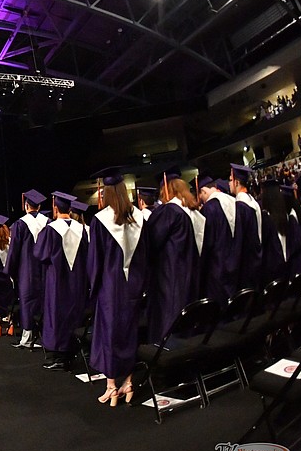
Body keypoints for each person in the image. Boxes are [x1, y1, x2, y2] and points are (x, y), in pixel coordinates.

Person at [88, 167, 148, 406]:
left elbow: (95, 261)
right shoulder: (140, 218)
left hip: (110, 288)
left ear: (107, 192)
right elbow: (144, 256)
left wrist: (93, 287)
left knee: (110, 334)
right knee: (130, 333)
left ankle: (112, 386)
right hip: (133, 285)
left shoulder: (100, 220)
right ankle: (129, 382)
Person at [144, 173, 205, 344]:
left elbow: (151, 241)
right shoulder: (193, 212)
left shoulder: (169, 211)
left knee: (170, 320)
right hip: (190, 274)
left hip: (170, 276)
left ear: (167, 189)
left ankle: (168, 356)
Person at [35, 191, 89, 368]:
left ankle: (58, 356)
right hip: (78, 280)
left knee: (56, 315)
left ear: (55, 208)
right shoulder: (81, 229)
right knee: (75, 313)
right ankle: (75, 350)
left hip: (57, 281)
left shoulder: (51, 230)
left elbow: (40, 254)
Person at [5, 189, 48, 349]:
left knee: (27, 302)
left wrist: (10, 271)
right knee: (44, 301)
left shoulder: (20, 225)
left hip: (27, 270)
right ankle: (43, 337)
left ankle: (27, 339)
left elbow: (14, 250)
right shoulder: (48, 222)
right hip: (45, 270)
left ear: (26, 205)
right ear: (39, 206)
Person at [198, 176, 238, 304]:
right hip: (236, 261)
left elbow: (207, 243)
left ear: (204, 191)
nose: (202, 200)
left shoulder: (209, 209)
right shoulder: (234, 201)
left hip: (218, 266)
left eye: (201, 195)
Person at [229, 163, 262, 291]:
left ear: (237, 182)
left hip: (248, 261)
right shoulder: (252, 201)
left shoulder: (241, 205)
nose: (229, 183)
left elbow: (240, 240)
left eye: (231, 180)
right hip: (257, 256)